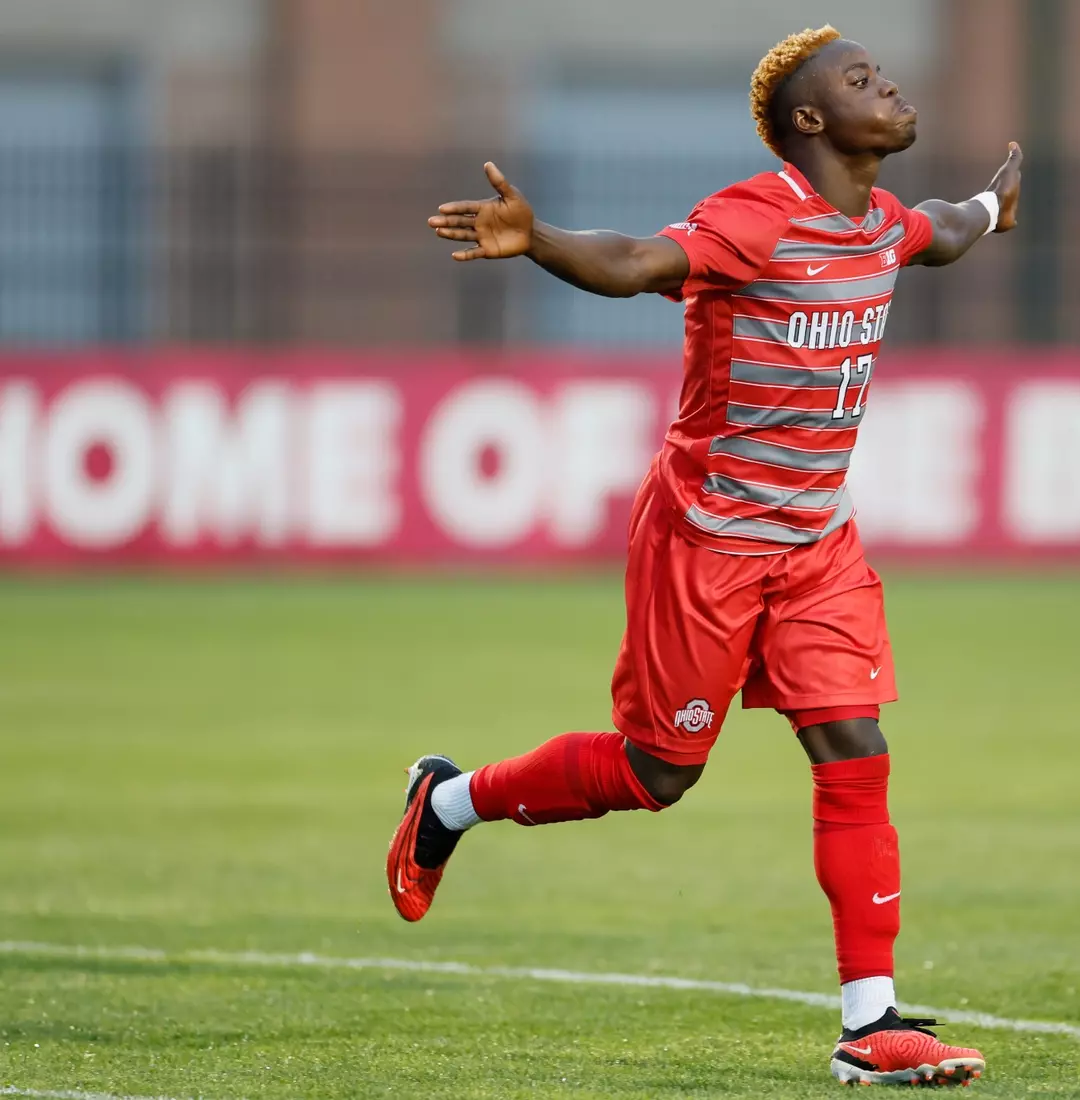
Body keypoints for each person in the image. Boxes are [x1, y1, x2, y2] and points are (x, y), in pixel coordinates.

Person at [393, 25, 1021, 1088]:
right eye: (864, 79)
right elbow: (641, 261)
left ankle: (870, 1022)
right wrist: (538, 240)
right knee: (655, 773)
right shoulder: (754, 218)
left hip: (816, 541)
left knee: (855, 746)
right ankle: (447, 802)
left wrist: (1000, 200)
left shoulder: (884, 225)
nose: (893, 84)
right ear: (812, 120)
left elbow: (948, 231)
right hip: (709, 538)